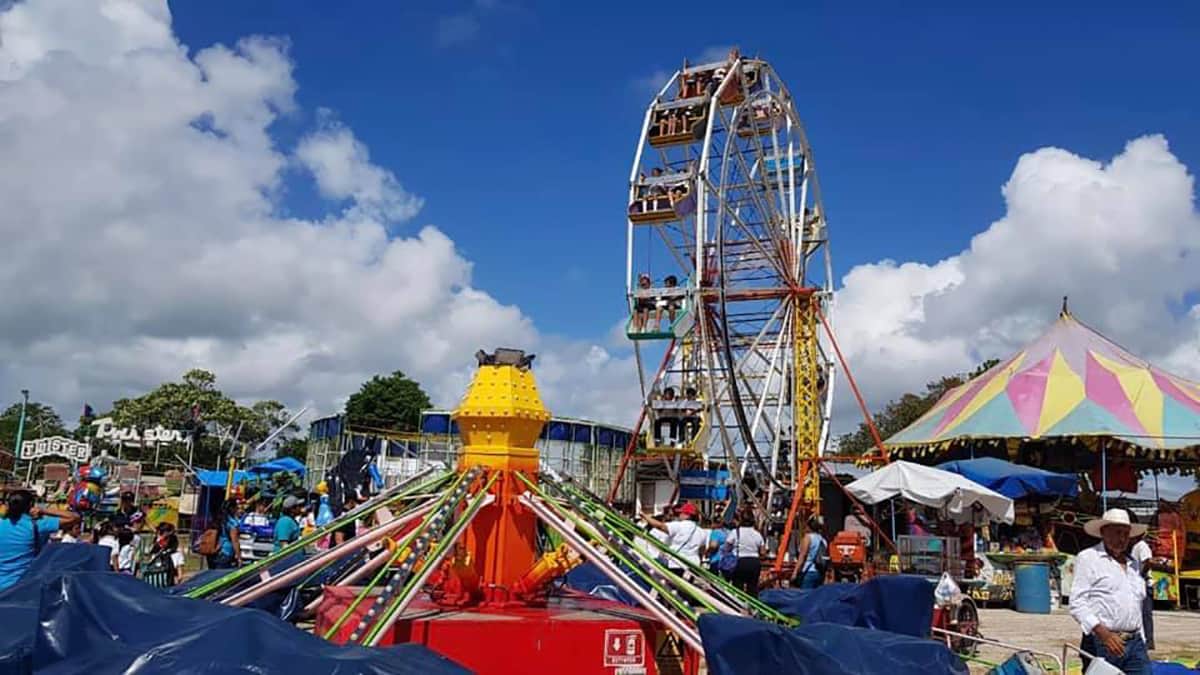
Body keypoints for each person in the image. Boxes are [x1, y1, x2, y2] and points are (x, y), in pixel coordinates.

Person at [1069, 508, 1150, 675]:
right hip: (1102, 641)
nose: (1122, 539)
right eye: (1117, 533)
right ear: (1103, 532)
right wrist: (1103, 633)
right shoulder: (1089, 558)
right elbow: (1077, 603)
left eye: (1126, 534)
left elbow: (1136, 604)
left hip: (1135, 642)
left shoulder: (1133, 564)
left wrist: (1142, 639)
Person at [0, 490, 79, 591]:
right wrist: (43, 510)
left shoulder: (1, 524)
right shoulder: (37, 525)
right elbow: (74, 517)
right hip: (23, 586)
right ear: (31, 505)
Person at [642, 502, 708, 572]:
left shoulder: (679, 526)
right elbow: (702, 550)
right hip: (693, 565)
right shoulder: (702, 531)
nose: (679, 515)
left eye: (681, 513)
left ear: (687, 515)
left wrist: (644, 516)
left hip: (676, 563)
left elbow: (661, 526)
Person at [727, 510, 767, 596]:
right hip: (754, 562)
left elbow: (727, 547)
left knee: (737, 588)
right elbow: (763, 552)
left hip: (739, 561)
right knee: (752, 588)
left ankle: (738, 603)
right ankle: (752, 603)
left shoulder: (735, 532)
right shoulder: (757, 534)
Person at [1131, 533, 1155, 651]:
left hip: (1143, 582)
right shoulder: (1134, 547)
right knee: (1139, 613)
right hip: (1136, 582)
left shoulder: (1141, 545)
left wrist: (1141, 574)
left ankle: (1148, 641)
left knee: (1145, 613)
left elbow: (1148, 561)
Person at [791, 516, 827, 589]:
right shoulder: (823, 540)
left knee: (806, 594)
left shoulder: (808, 538)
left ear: (809, 527)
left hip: (808, 572)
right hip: (819, 572)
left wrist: (795, 572)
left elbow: (802, 556)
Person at [207, 498, 242, 569]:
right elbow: (235, 541)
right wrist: (239, 557)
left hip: (215, 550)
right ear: (232, 508)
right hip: (226, 552)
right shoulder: (232, 523)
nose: (237, 510)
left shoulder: (219, 519)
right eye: (236, 508)